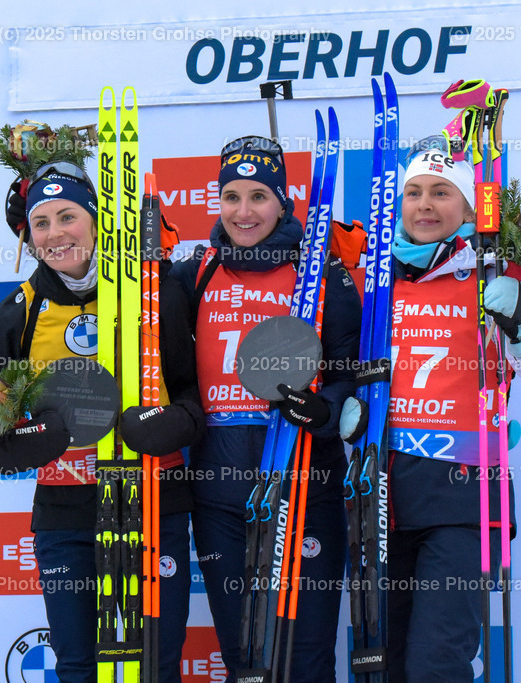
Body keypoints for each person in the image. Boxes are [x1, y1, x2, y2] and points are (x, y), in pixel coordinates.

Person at [341, 138, 521, 682]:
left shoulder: (495, 278)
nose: (424, 204)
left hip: (464, 503)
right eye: (414, 192)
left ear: (470, 209)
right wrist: (343, 408)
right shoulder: (371, 282)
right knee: (377, 667)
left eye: (442, 193)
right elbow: (337, 372)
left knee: (436, 665)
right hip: (377, 499)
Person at [0, 162, 201, 683]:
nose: (56, 234)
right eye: (42, 223)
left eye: (68, 216)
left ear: (97, 220)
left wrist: (174, 423)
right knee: (80, 667)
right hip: (66, 513)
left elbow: (193, 392)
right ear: (28, 236)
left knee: (155, 664)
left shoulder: (154, 295)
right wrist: (35, 439)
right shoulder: (14, 315)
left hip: (153, 500)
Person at [150, 136, 361, 681]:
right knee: (245, 657)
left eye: (259, 197)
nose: (244, 211)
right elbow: (162, 358)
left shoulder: (322, 275)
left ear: (283, 200)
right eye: (232, 196)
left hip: (303, 484)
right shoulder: (193, 275)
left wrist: (325, 409)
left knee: (305, 654)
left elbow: (352, 375)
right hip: (218, 497)